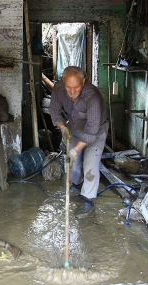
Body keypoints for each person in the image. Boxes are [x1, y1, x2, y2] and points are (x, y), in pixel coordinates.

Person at [49, 66, 109, 218]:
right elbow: (54, 111)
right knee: (73, 164)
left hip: (96, 130)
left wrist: (76, 150)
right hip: (74, 126)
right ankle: (76, 184)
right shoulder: (58, 89)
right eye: (68, 87)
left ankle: (88, 199)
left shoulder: (91, 96)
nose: (72, 91)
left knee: (90, 163)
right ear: (63, 82)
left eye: (76, 87)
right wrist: (63, 128)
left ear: (84, 81)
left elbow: (91, 131)